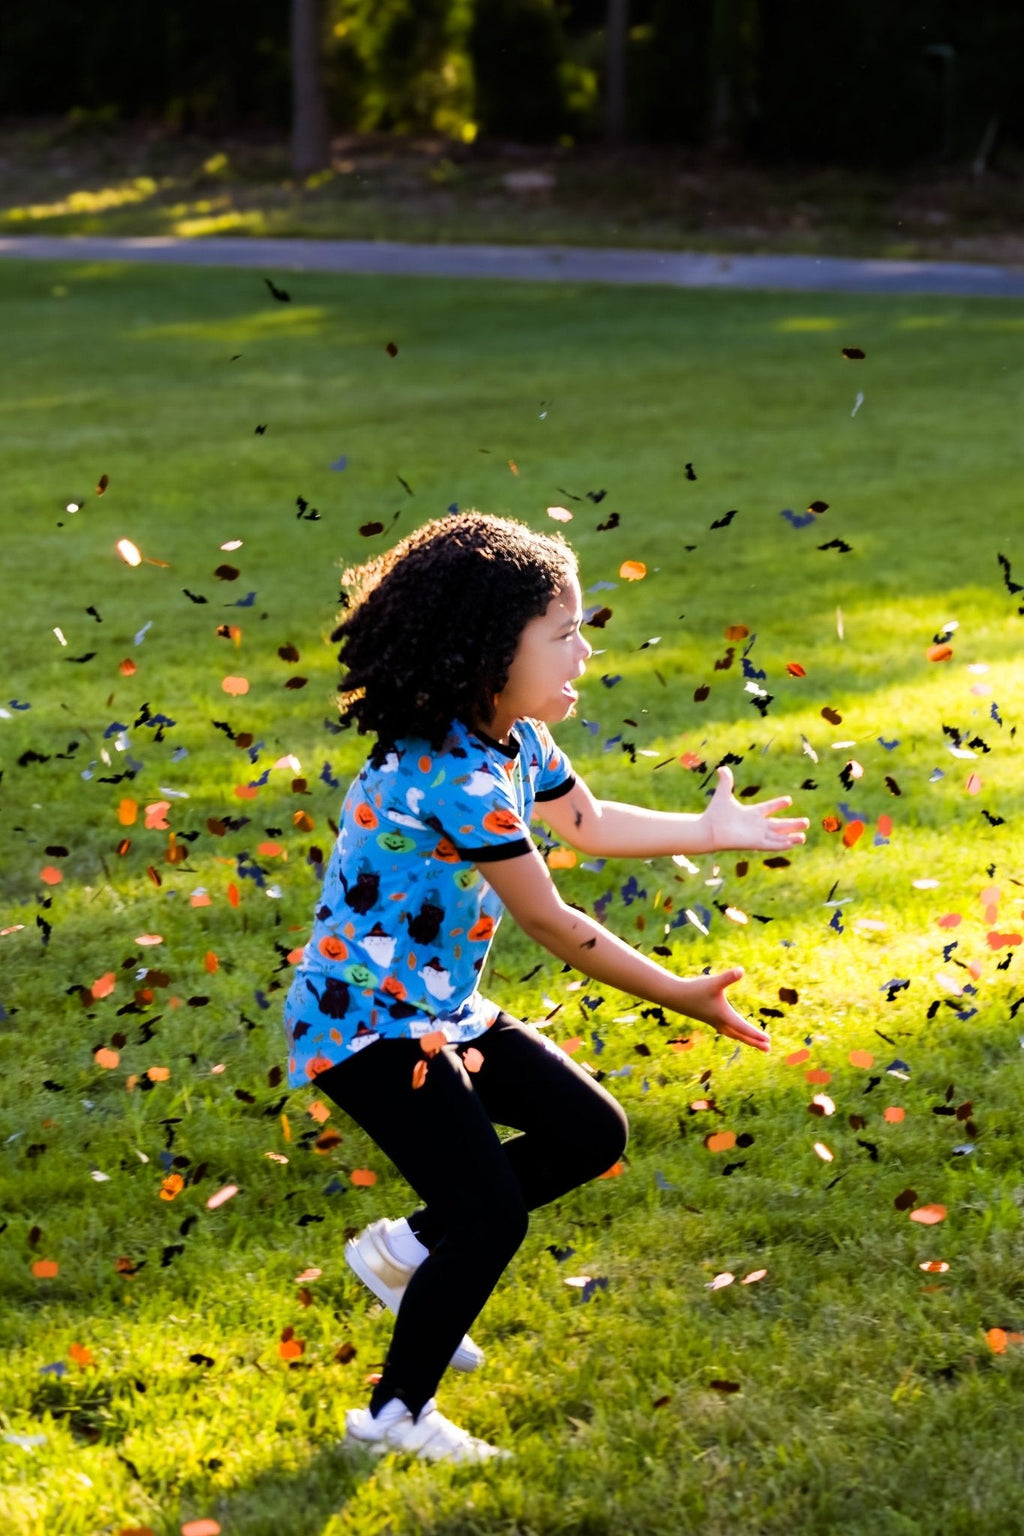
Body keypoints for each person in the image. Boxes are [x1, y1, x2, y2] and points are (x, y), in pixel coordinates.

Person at [282, 512, 808, 1464]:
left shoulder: (514, 739)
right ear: (491, 652)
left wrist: (710, 828)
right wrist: (679, 990)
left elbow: (592, 821)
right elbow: (555, 924)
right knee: (489, 1213)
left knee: (589, 1133)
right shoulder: (451, 775)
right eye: (562, 634)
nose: (584, 649)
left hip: (437, 1008)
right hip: (366, 1025)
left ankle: (403, 1254)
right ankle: (392, 1419)